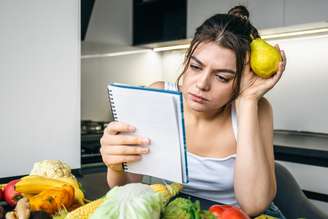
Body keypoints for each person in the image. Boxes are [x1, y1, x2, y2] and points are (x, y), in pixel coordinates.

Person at [100, 5, 287, 218]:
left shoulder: (256, 108)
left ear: (242, 79)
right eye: (196, 67)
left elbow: (253, 205)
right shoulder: (159, 97)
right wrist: (115, 165)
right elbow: (126, 187)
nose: (202, 84)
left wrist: (247, 101)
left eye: (222, 77)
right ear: (186, 60)